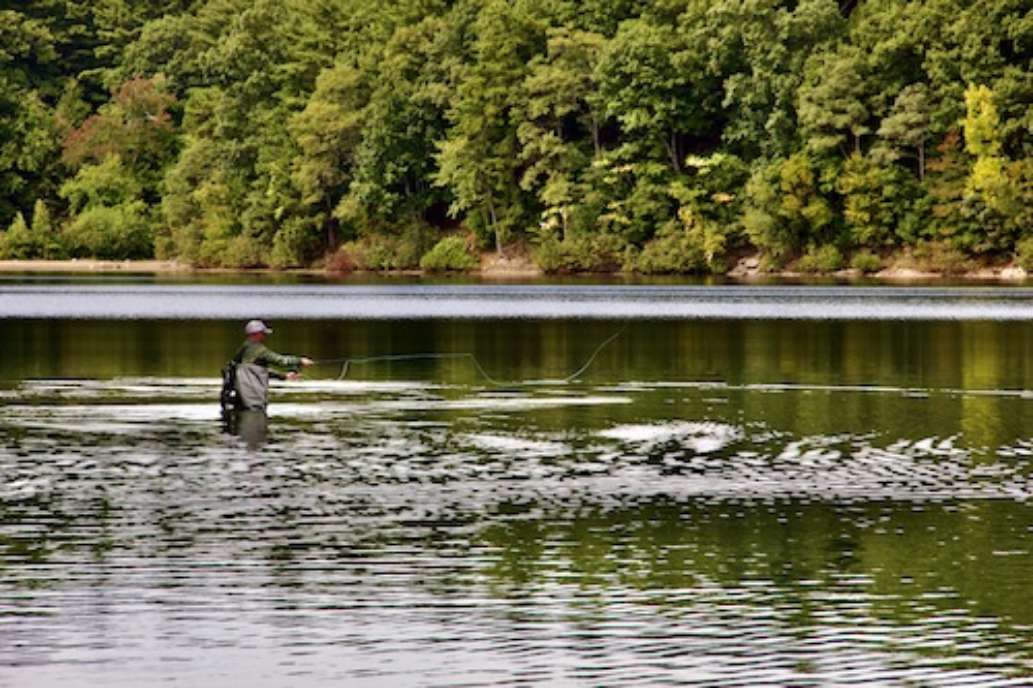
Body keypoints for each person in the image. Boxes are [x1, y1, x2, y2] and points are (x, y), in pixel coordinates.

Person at [229, 320, 314, 411]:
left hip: (240, 398)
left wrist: (284, 376)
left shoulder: (243, 349)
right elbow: (281, 361)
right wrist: (300, 360)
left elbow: (257, 371)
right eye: (263, 333)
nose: (265, 336)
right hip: (254, 400)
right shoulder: (260, 350)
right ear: (257, 334)